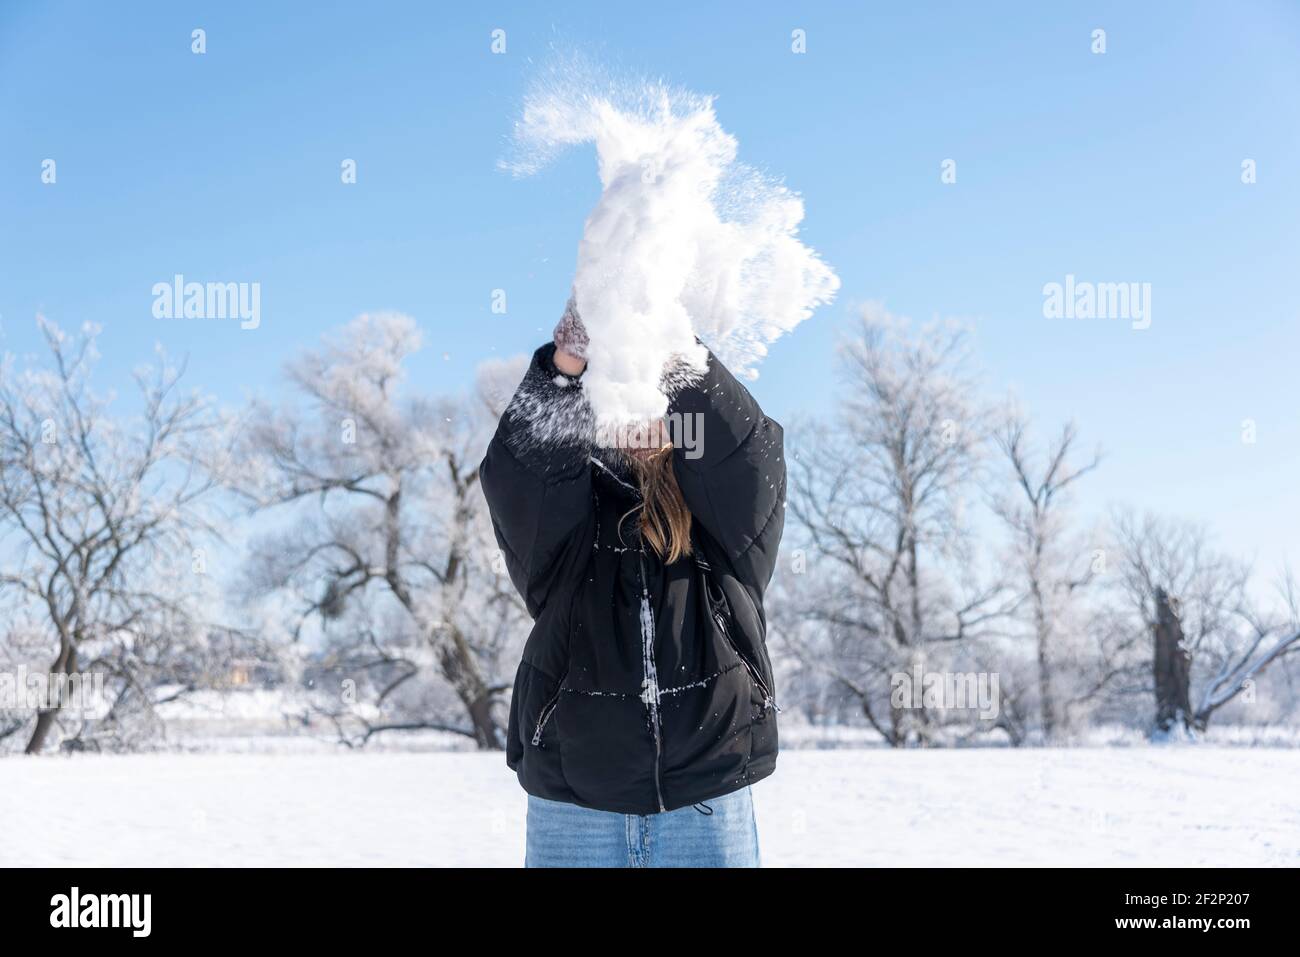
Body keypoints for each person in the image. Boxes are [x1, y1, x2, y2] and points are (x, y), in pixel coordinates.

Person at [479, 297, 785, 867]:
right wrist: (563, 368)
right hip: (575, 803)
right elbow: (520, 481)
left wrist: (675, 348)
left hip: (708, 791)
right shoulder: (567, 527)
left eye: (650, 386)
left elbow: (749, 459)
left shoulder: (720, 523)